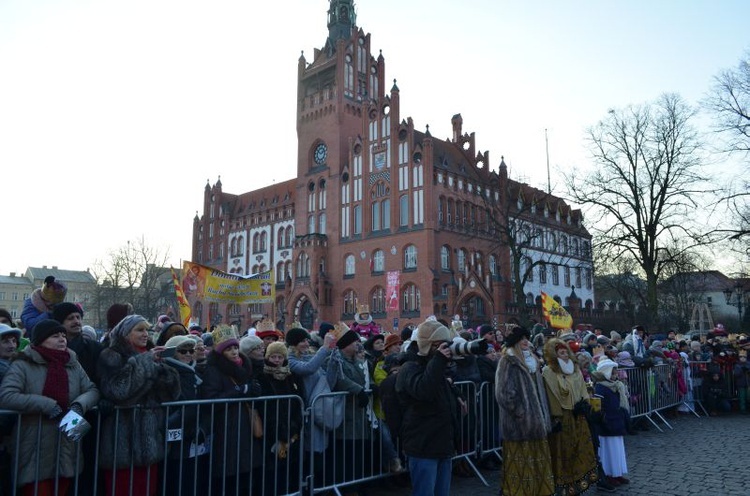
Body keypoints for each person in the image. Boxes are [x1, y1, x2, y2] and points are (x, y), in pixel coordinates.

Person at [0, 319, 99, 496]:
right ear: (40, 340)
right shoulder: (23, 363)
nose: (62, 339)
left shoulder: (72, 362)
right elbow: (7, 396)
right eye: (55, 336)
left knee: (64, 485)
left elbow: (91, 390)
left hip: (68, 437)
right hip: (34, 440)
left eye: (63, 335)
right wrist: (46, 405)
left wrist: (79, 405)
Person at [97, 315, 180, 496]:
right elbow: (118, 392)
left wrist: (164, 369)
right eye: (139, 330)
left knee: (147, 488)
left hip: (150, 438)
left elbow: (171, 395)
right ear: (126, 334)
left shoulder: (149, 353)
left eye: (147, 330)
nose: (145, 334)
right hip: (123, 440)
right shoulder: (111, 355)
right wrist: (146, 362)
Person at [396, 319, 462, 496]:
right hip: (422, 446)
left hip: (442, 444)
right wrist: (439, 360)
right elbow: (424, 391)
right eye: (440, 345)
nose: (445, 349)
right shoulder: (409, 368)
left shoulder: (437, 368)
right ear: (428, 345)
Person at [199, 324, 263, 495]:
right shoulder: (213, 370)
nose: (234, 352)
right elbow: (210, 400)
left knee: (246, 476)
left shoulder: (244, 367)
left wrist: (252, 390)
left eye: (235, 347)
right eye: (229, 350)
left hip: (244, 427)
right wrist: (238, 391)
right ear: (221, 352)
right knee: (229, 477)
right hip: (225, 428)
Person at [494, 326, 554, 496]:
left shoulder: (534, 360)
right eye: (522, 339)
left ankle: (538, 490)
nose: (526, 341)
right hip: (519, 425)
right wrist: (521, 413)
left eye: (527, 338)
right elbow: (503, 393)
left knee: (537, 460)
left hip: (537, 422)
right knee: (520, 463)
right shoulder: (508, 360)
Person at [542, 338, 599, 494]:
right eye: (561, 352)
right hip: (563, 416)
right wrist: (556, 414)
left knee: (580, 448)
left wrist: (584, 402)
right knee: (564, 451)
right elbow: (552, 393)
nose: (565, 355)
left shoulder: (574, 368)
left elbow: (581, 386)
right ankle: (563, 485)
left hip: (578, 415)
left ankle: (578, 482)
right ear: (555, 354)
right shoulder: (549, 371)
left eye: (566, 352)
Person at [287, 324, 337, 488]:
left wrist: (334, 361)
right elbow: (308, 369)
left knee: (319, 456)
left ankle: (317, 488)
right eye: (302, 341)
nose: (307, 344)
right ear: (293, 343)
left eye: (307, 340)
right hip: (305, 414)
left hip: (318, 412)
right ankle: (307, 489)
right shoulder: (291, 360)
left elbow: (326, 381)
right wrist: (324, 348)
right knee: (309, 457)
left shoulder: (311, 357)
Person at [161, 335, 209, 496]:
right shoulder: (167, 373)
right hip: (175, 436)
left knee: (192, 478)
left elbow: (203, 405)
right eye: (183, 351)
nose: (189, 354)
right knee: (176, 479)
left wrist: (202, 427)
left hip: (193, 435)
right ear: (173, 353)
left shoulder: (194, 373)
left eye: (191, 350)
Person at [257, 341, 303, 495]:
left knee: (290, 468)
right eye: (273, 356)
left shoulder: (291, 375)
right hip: (272, 430)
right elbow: (265, 407)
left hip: (291, 428)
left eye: (280, 357)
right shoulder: (262, 376)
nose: (277, 360)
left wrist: (295, 425)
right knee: (272, 470)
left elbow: (299, 400)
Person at [592, 358, 630, 488]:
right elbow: (598, 408)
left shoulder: (616, 386)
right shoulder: (600, 388)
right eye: (613, 373)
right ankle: (608, 474)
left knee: (617, 450)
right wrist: (605, 421)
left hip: (616, 422)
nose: (616, 375)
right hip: (606, 424)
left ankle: (617, 473)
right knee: (608, 451)